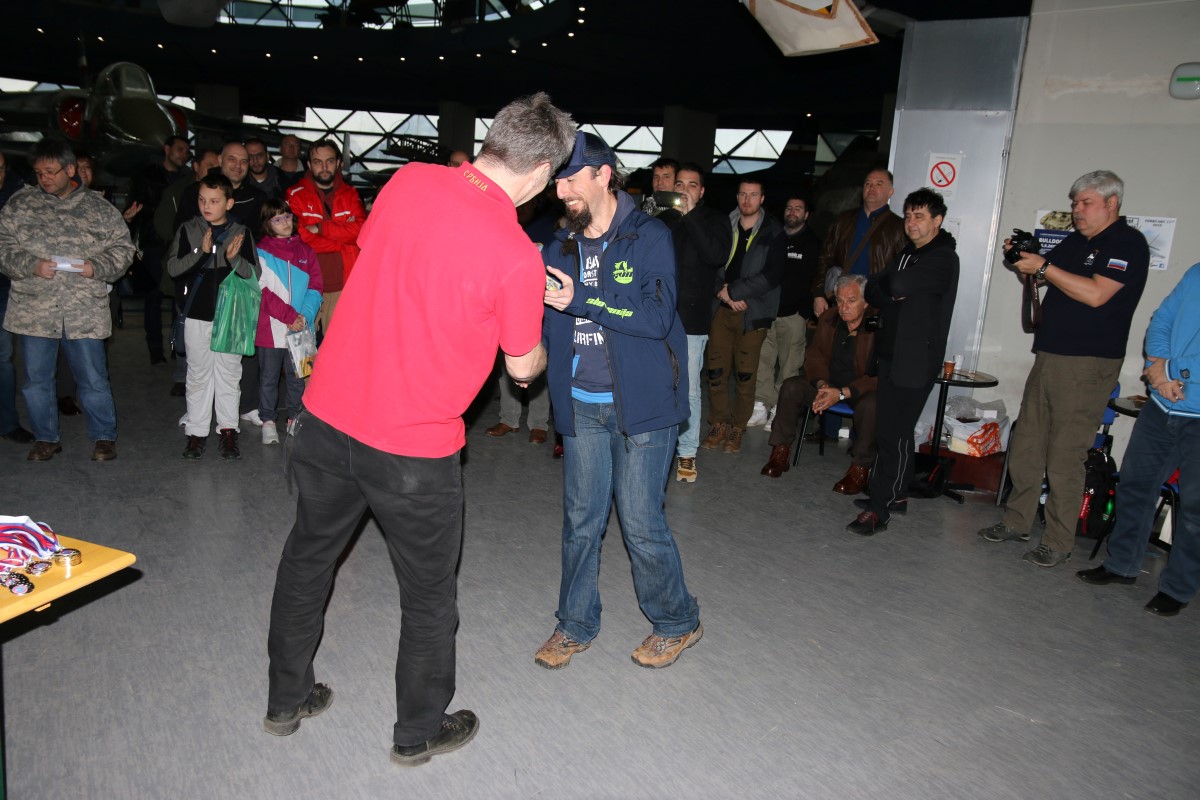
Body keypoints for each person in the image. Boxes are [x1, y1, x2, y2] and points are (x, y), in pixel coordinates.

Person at [263, 93, 576, 767]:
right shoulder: (517, 254)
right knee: (429, 597)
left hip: (326, 417)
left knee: (307, 558)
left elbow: (388, 259)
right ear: (540, 170)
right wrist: (533, 308)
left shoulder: (408, 181)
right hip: (412, 450)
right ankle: (417, 732)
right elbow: (523, 370)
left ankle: (286, 699)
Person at [536, 131, 702, 671]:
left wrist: (583, 299)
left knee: (640, 521)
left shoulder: (649, 236)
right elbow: (545, 318)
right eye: (557, 181)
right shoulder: (559, 246)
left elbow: (655, 318)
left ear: (603, 174)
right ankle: (575, 623)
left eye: (570, 179)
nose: (562, 192)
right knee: (580, 521)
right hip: (581, 402)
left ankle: (677, 621)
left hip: (643, 406)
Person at [979, 170, 1149, 567]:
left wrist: (1043, 267)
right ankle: (1017, 521)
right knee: (1027, 444)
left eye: (1086, 203)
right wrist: (1023, 258)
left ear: (1112, 203)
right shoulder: (1076, 241)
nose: (1077, 210)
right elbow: (1042, 278)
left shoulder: (1126, 243)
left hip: (1088, 363)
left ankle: (1057, 541)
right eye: (1074, 203)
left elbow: (1096, 294)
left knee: (1065, 454)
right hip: (1050, 354)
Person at [1076, 261, 1200, 616]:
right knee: (1135, 486)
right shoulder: (1196, 273)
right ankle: (1122, 565)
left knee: (1195, 510)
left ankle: (1177, 588)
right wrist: (1158, 366)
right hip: (1161, 406)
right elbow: (1162, 319)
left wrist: (1171, 370)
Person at [0, 140, 135, 462]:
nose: (44, 178)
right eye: (39, 173)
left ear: (70, 169)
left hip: (83, 309)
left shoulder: (99, 208)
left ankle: (103, 436)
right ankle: (46, 438)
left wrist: (96, 267)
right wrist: (32, 265)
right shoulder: (20, 206)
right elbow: (3, 248)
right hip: (35, 309)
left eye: (51, 171)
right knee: (36, 381)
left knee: (93, 379)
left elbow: (123, 250)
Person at [848, 188, 959, 536]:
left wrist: (891, 288)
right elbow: (873, 288)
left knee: (893, 433)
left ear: (937, 220)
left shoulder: (943, 258)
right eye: (908, 215)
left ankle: (879, 510)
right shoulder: (908, 253)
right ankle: (895, 495)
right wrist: (889, 290)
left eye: (919, 216)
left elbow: (894, 282)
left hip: (915, 360)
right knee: (893, 431)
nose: (911, 222)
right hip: (891, 355)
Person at [165, 172, 259, 460]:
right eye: (202, 200)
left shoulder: (241, 232)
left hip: (231, 316)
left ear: (229, 203)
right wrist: (201, 253)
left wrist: (233, 259)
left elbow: (253, 275)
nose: (207, 206)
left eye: (214, 201)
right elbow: (173, 269)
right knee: (197, 375)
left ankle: (228, 431)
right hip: (197, 315)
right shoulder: (188, 229)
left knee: (229, 375)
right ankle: (196, 433)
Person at [760, 275, 877, 494]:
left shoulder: (877, 325)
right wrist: (823, 385)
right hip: (828, 383)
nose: (844, 307)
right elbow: (814, 356)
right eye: (840, 300)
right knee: (791, 386)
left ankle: (860, 469)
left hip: (859, 389)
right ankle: (780, 451)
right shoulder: (829, 318)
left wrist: (841, 393)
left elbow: (880, 374)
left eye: (851, 301)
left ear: (866, 302)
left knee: (871, 405)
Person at [700, 178, 785, 454]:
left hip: (753, 312)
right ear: (737, 197)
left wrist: (735, 292)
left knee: (746, 375)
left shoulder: (774, 232)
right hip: (721, 310)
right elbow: (710, 264)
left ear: (762, 199)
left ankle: (737, 427)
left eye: (753, 195)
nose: (747, 200)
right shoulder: (724, 225)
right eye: (743, 194)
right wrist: (723, 293)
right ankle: (718, 423)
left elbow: (772, 275)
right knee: (716, 372)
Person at [661, 162, 731, 482]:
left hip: (692, 320)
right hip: (658, 316)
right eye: (680, 184)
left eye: (692, 185)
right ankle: (657, 445)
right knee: (656, 383)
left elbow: (715, 255)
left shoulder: (715, 220)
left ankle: (687, 452)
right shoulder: (665, 219)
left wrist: (690, 217)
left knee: (687, 389)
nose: (684, 190)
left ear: (701, 191)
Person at [484, 195, 555, 444]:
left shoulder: (549, 226)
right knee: (507, 361)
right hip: (508, 301)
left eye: (528, 203)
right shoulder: (505, 223)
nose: (522, 207)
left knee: (538, 361)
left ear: (536, 202)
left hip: (540, 302)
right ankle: (508, 418)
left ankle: (538, 423)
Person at [749, 193, 821, 430]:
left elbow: (816, 277)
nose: (792, 212)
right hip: (768, 312)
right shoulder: (774, 237)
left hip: (794, 315)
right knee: (763, 359)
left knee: (790, 364)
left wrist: (805, 310)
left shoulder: (813, 242)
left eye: (798, 208)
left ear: (806, 214)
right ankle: (761, 405)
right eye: (789, 208)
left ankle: (781, 409)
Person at [254, 198, 322, 444]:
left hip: (302, 328)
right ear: (267, 224)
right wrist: (289, 316)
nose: (284, 222)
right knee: (269, 378)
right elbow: (261, 291)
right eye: (277, 219)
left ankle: (294, 417)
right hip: (271, 329)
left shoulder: (306, 251)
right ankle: (268, 420)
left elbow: (316, 286)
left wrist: (304, 316)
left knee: (298, 377)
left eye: (287, 216)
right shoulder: (260, 253)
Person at [156, 148, 220, 397]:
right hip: (189, 275)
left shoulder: (226, 202)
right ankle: (182, 376)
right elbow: (172, 231)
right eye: (209, 164)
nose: (214, 168)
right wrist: (197, 248)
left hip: (213, 280)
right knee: (185, 325)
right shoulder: (186, 193)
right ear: (197, 166)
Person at [285, 139, 365, 339]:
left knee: (338, 349)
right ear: (309, 164)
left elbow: (360, 231)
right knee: (301, 350)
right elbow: (299, 236)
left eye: (329, 161)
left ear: (338, 163)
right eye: (317, 162)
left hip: (342, 287)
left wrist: (320, 228)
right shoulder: (295, 195)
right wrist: (341, 239)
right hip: (305, 286)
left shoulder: (351, 194)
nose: (324, 167)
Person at [128, 134, 190, 364]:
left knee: (178, 297)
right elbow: (135, 208)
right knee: (153, 297)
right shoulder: (147, 176)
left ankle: (176, 345)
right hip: (154, 244)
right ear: (167, 149)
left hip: (178, 245)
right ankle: (155, 348)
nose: (184, 155)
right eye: (180, 149)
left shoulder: (187, 179)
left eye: (186, 151)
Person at [811, 167, 906, 317]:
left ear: (890, 192)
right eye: (868, 183)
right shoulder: (843, 220)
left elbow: (903, 270)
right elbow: (825, 257)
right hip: (841, 301)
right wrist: (818, 294)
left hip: (876, 305)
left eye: (879, 184)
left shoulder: (899, 227)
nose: (871, 188)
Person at [0, 150, 34, 444]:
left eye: (1, 168)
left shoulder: (18, 196)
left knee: (3, 358)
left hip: (3, 286)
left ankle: (7, 423)